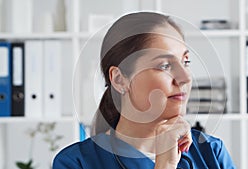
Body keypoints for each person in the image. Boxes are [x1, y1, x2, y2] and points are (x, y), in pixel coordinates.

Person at [53, 12, 236, 169]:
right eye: (164, 65)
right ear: (119, 79)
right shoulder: (76, 162)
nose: (186, 77)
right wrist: (165, 165)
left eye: (185, 62)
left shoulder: (211, 151)